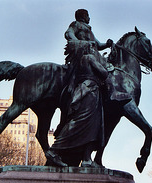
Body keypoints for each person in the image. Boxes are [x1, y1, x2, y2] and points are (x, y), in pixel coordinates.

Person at [45, 9, 113, 167]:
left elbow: (98, 44)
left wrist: (106, 44)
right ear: (83, 16)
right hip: (80, 59)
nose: (90, 17)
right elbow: (69, 37)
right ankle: (70, 92)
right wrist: (84, 44)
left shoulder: (89, 30)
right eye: (88, 15)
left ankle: (87, 157)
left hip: (91, 71)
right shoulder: (75, 25)